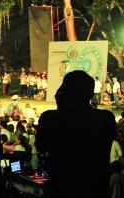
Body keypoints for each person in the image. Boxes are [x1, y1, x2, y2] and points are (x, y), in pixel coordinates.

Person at [36, 70, 116, 198]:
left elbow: (41, 146)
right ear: (91, 93)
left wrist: (60, 108)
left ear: (63, 91)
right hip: (95, 185)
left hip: (61, 185)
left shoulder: (49, 118)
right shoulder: (105, 118)